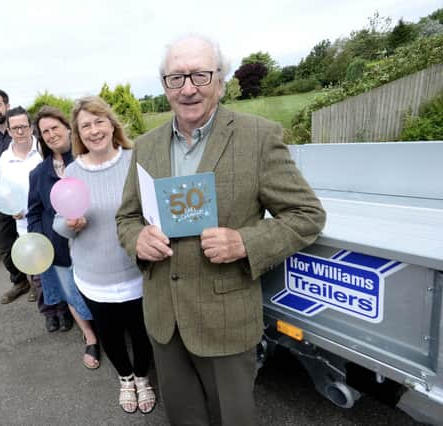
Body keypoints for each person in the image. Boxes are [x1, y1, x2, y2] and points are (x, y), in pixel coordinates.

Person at [115, 35, 326, 425]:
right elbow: (126, 218)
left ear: (220, 82)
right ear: (165, 87)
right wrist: (137, 239)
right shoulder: (146, 146)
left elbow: (306, 214)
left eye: (200, 74)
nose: (188, 88)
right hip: (164, 319)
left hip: (225, 320)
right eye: (176, 77)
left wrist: (244, 241)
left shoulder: (259, 137)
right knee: (183, 418)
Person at [54, 97, 156, 415]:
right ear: (78, 133)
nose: (94, 130)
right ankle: (125, 378)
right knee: (109, 334)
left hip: (136, 271)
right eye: (86, 125)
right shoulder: (72, 171)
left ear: (112, 124)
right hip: (93, 274)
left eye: (99, 121)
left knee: (141, 332)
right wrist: (72, 225)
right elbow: (59, 222)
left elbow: (153, 211)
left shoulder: (135, 161)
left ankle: (142, 377)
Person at [27, 106, 99, 368]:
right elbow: (33, 212)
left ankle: (106, 329)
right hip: (57, 246)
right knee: (71, 293)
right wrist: (40, 240)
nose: (50, 134)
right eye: (44, 131)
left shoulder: (87, 161)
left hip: (92, 239)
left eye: (55, 127)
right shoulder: (37, 174)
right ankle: (90, 336)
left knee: (96, 291)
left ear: (68, 128)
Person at [0, 106, 74, 333]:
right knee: (40, 275)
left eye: (24, 126)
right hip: (27, 226)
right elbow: (3, 189)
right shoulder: (5, 158)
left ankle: (66, 310)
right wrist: (10, 208)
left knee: (62, 269)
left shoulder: (43, 151)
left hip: (53, 221)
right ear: (9, 131)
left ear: (30, 128)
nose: (20, 131)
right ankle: (50, 313)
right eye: (15, 128)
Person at [0, 89, 33, 304]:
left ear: (7, 106)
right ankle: (20, 282)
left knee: (30, 238)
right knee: (5, 244)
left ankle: (39, 283)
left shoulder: (23, 129)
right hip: (5, 199)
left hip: (27, 198)